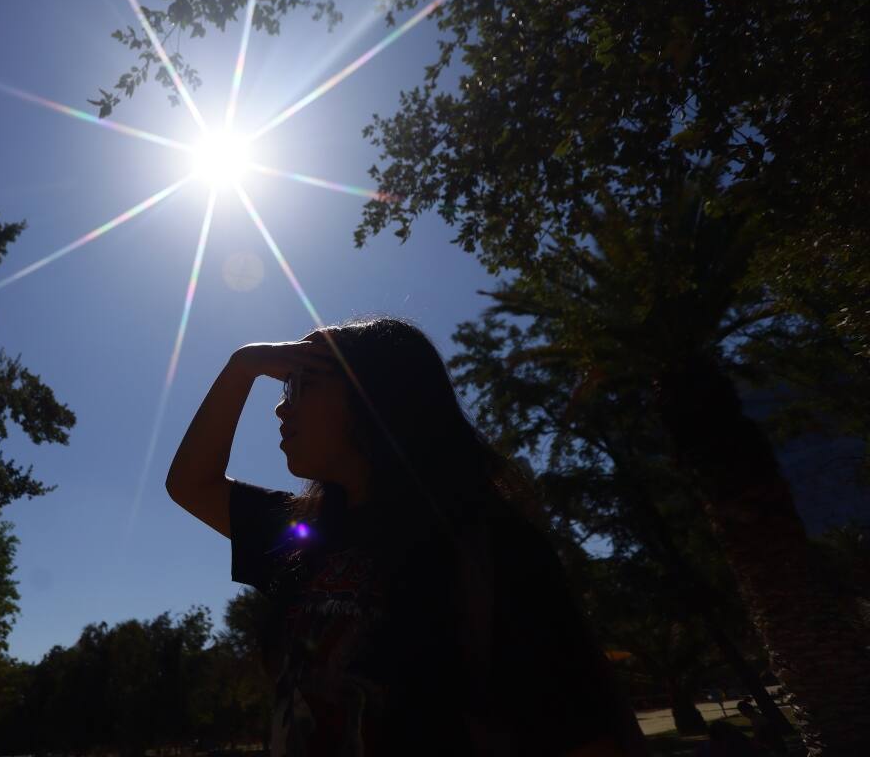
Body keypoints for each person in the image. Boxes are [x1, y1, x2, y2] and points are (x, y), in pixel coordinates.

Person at [165, 316, 646, 756]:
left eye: (302, 385)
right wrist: (242, 365)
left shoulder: (489, 546)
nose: (279, 408)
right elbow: (190, 484)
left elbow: (580, 734)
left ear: (374, 397)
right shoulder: (300, 534)